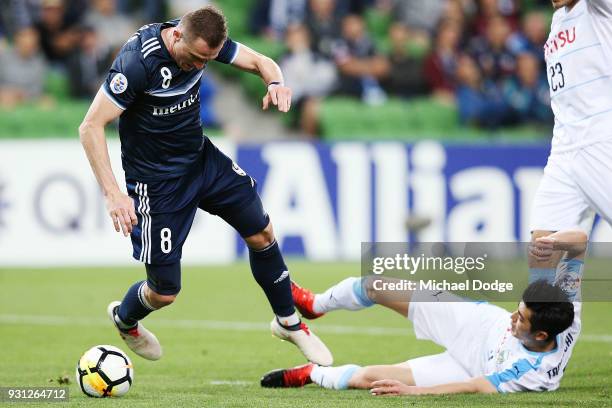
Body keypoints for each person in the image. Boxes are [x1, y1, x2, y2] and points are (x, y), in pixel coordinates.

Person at [78, 6, 332, 366]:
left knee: (261, 231)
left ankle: (289, 322)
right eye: (196, 58)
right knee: (165, 292)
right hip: (157, 182)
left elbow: (263, 61)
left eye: (208, 61)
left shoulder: (206, 46)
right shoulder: (137, 64)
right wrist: (114, 193)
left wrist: (275, 83)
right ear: (177, 35)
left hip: (201, 161)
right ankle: (126, 319)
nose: (200, 67)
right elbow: (90, 127)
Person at [261, 229, 584, 395]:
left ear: (541, 335)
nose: (515, 316)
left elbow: (477, 386)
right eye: (518, 309)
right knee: (377, 285)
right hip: (476, 323)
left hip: (471, 367)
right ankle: (315, 305)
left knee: (371, 378)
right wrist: (552, 241)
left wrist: (414, 391)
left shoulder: (532, 372)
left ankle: (310, 374)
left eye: (521, 319)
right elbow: (580, 241)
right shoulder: (560, 306)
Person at [529, 0, 612, 285]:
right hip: (564, 148)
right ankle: (560, 325)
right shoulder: (557, 21)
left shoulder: (599, 8)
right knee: (543, 246)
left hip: (602, 142)